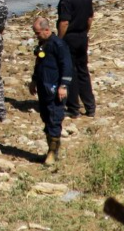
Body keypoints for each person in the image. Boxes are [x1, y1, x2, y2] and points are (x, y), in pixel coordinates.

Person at [29, 16, 73, 165]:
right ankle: (50, 148)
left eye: (38, 33)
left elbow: (67, 66)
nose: (36, 36)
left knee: (54, 117)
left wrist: (63, 86)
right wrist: (34, 80)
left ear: (47, 30)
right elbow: (39, 63)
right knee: (46, 117)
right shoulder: (43, 44)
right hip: (43, 85)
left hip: (55, 87)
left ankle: (53, 153)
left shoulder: (59, 45)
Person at [57, 0, 97, 118]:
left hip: (71, 37)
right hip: (82, 36)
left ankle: (73, 108)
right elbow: (90, 18)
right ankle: (90, 106)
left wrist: (59, 40)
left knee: (70, 71)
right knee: (83, 70)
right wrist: (85, 32)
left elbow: (64, 22)